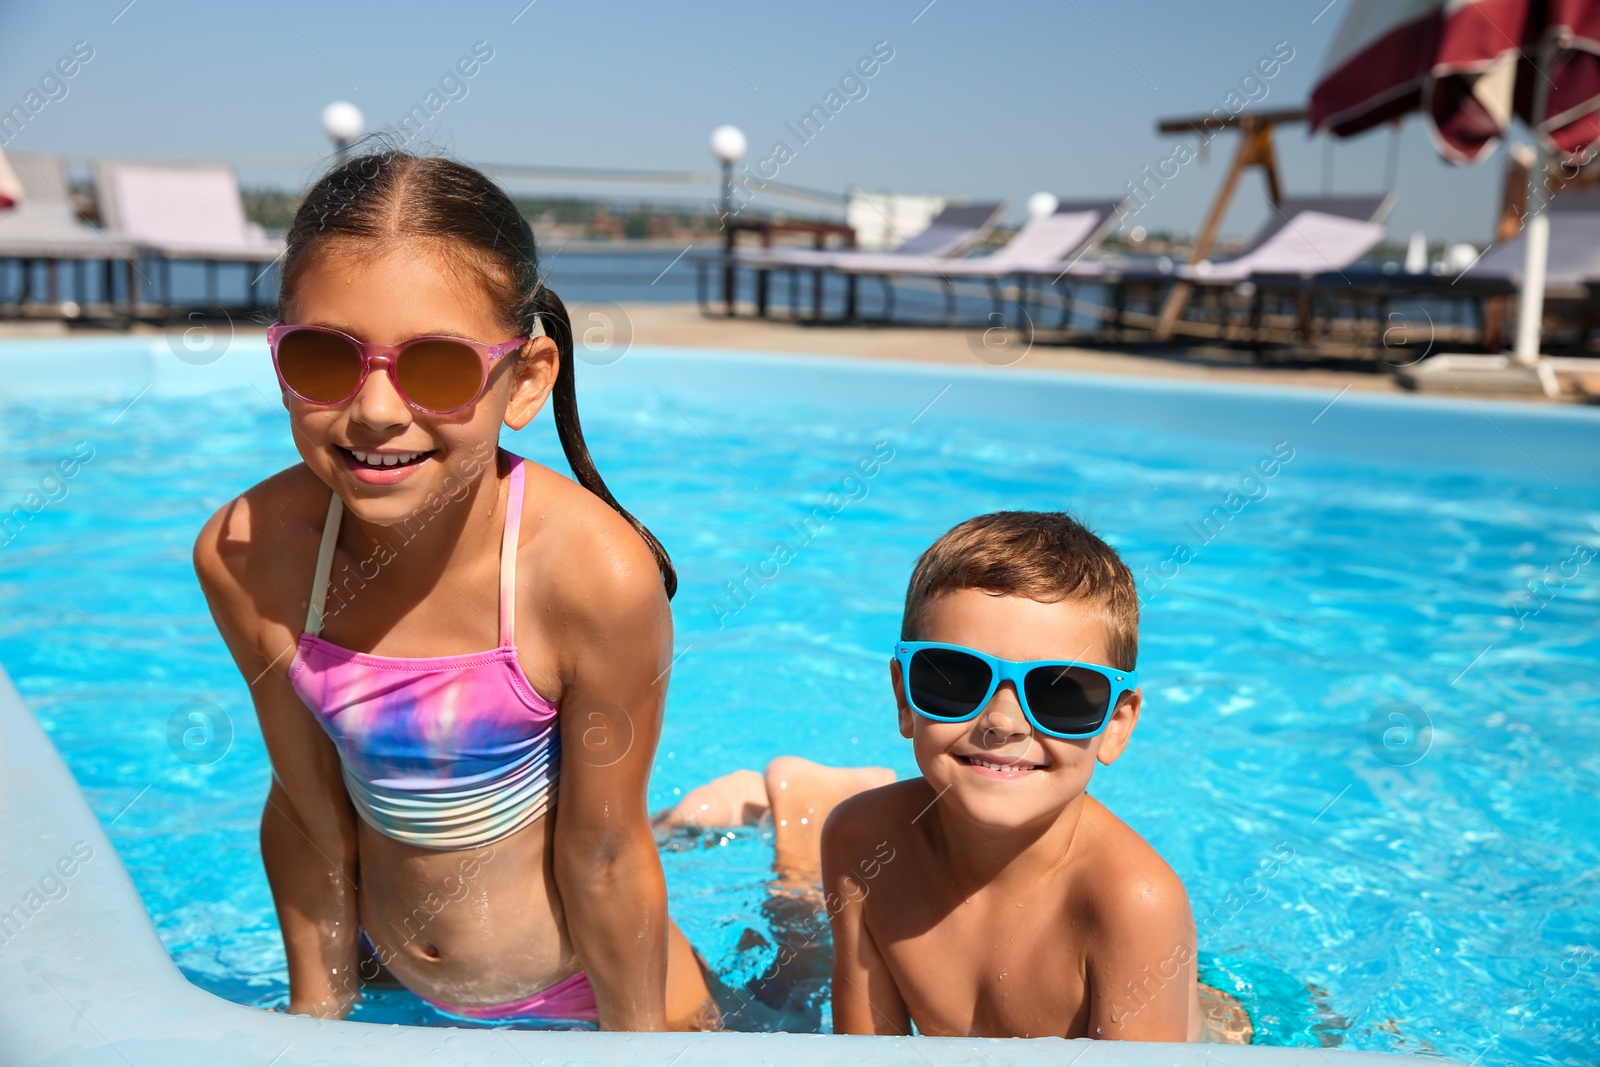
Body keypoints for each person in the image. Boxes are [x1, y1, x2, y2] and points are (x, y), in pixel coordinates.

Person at [193, 150, 714, 1030]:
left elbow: (607, 852)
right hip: (401, 986)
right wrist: (320, 1011)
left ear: (525, 380)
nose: (375, 411)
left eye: (435, 367)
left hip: (592, 996)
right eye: (325, 358)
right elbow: (305, 808)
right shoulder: (250, 556)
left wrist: (639, 1051)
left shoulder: (591, 577)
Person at [820, 511, 1252, 1043]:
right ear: (905, 696)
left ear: (1116, 726)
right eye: (954, 679)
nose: (1002, 722)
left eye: (1061, 692)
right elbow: (863, 1057)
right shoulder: (862, 841)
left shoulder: (1134, 903)